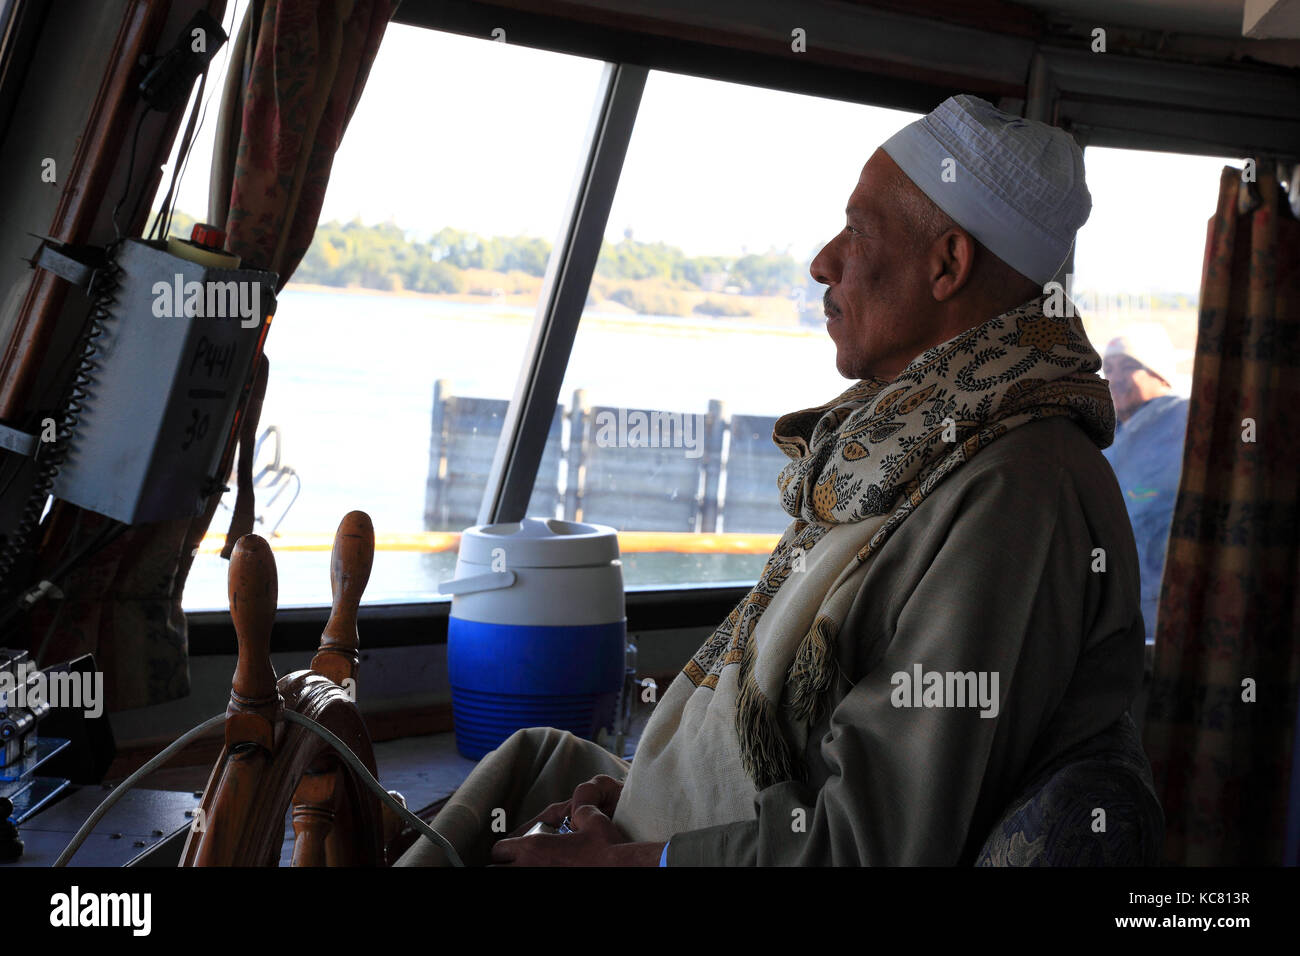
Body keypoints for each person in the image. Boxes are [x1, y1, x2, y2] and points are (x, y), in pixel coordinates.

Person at [397, 94, 1148, 867]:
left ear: (948, 264)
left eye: (858, 230)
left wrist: (626, 860)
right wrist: (640, 807)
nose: (824, 261)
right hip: (692, 832)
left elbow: (871, 847)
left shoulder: (1019, 496)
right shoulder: (918, 444)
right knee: (520, 769)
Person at [1100, 326, 1191, 645]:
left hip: (1165, 601)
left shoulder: (1184, 420)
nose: (1114, 378)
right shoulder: (1112, 433)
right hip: (1120, 600)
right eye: (1108, 369)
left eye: (1129, 366)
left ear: (1160, 375)